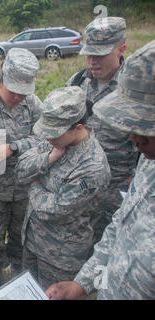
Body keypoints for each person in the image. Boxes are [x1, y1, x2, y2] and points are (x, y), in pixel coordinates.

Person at [46, 40, 155, 300]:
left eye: (144, 126)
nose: (133, 139)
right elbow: (121, 228)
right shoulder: (149, 161)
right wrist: (83, 283)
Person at [15, 86, 111, 290]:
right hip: (32, 240)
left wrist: (34, 186)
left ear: (77, 128)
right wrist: (47, 159)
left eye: (54, 134)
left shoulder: (91, 167)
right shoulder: (54, 138)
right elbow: (21, 169)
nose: (48, 139)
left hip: (59, 257)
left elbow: (54, 210)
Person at [0, 48, 42, 293]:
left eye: (24, 93)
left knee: (20, 235)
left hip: (25, 187)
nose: (19, 98)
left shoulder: (33, 104)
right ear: (0, 80)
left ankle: (17, 271)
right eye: (14, 93)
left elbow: (45, 138)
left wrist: (14, 147)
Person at [66, 17, 138, 244]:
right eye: (89, 54)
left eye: (100, 55)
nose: (92, 62)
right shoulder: (78, 82)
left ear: (121, 49)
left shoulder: (137, 90)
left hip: (116, 192)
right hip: (79, 186)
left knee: (109, 248)